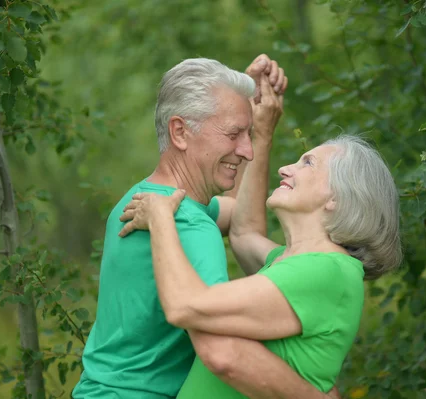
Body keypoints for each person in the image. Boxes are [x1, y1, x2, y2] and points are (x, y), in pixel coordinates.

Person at [72, 55, 338, 399]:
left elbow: (242, 220)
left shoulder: (151, 199)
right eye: (233, 134)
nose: (247, 151)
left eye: (248, 135)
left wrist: (258, 123)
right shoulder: (191, 227)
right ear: (180, 132)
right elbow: (223, 352)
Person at [118, 126, 403, 398]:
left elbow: (185, 306)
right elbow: (244, 233)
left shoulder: (325, 271)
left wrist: (161, 219)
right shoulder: (292, 262)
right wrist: (262, 131)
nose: (285, 168)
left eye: (308, 163)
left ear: (336, 198)